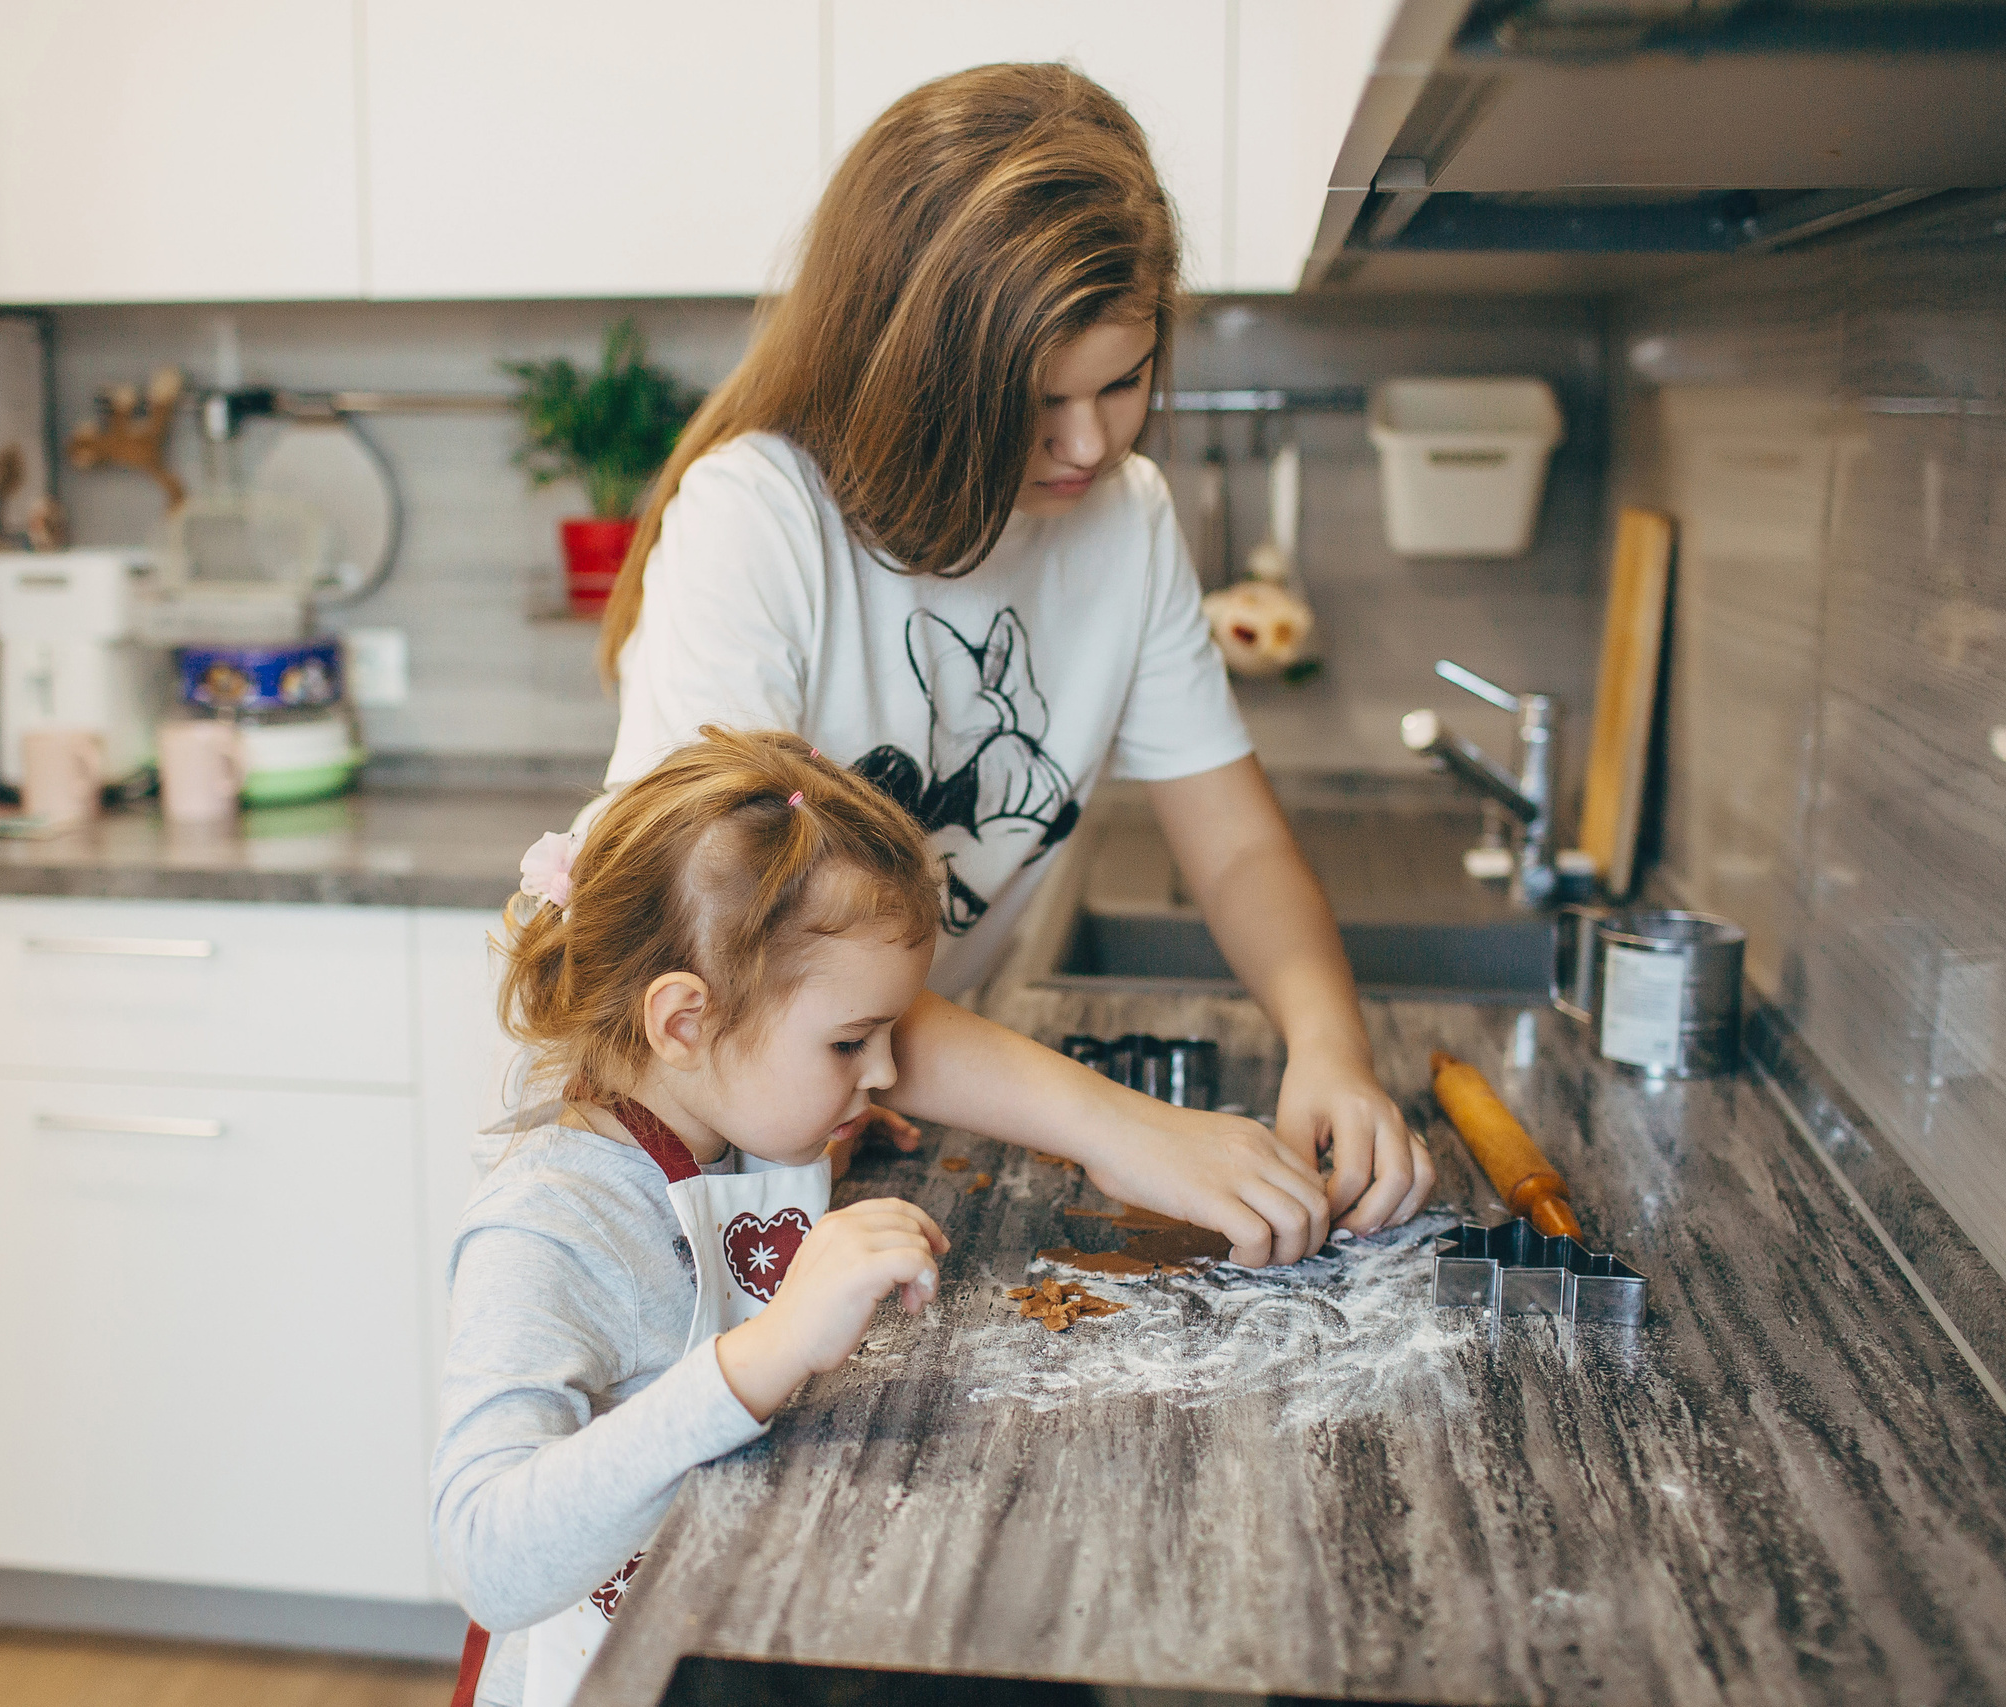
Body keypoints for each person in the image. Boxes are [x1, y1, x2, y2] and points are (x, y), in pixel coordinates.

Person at [590, 63, 1433, 1263]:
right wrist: (1115, 1128)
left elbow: (1236, 845)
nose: (1089, 442)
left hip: (850, 1112)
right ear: (919, 373)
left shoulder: (1125, 519)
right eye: (1036, 401)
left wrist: (1328, 1046)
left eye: (1124, 381)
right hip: (674, 1160)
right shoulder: (760, 518)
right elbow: (750, 949)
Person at [437, 731, 951, 1707]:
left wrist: (822, 1123)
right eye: (848, 1043)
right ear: (682, 1023)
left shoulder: (724, 1117)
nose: (885, 1071)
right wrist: (765, 1353)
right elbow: (483, 1555)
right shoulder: (548, 1219)